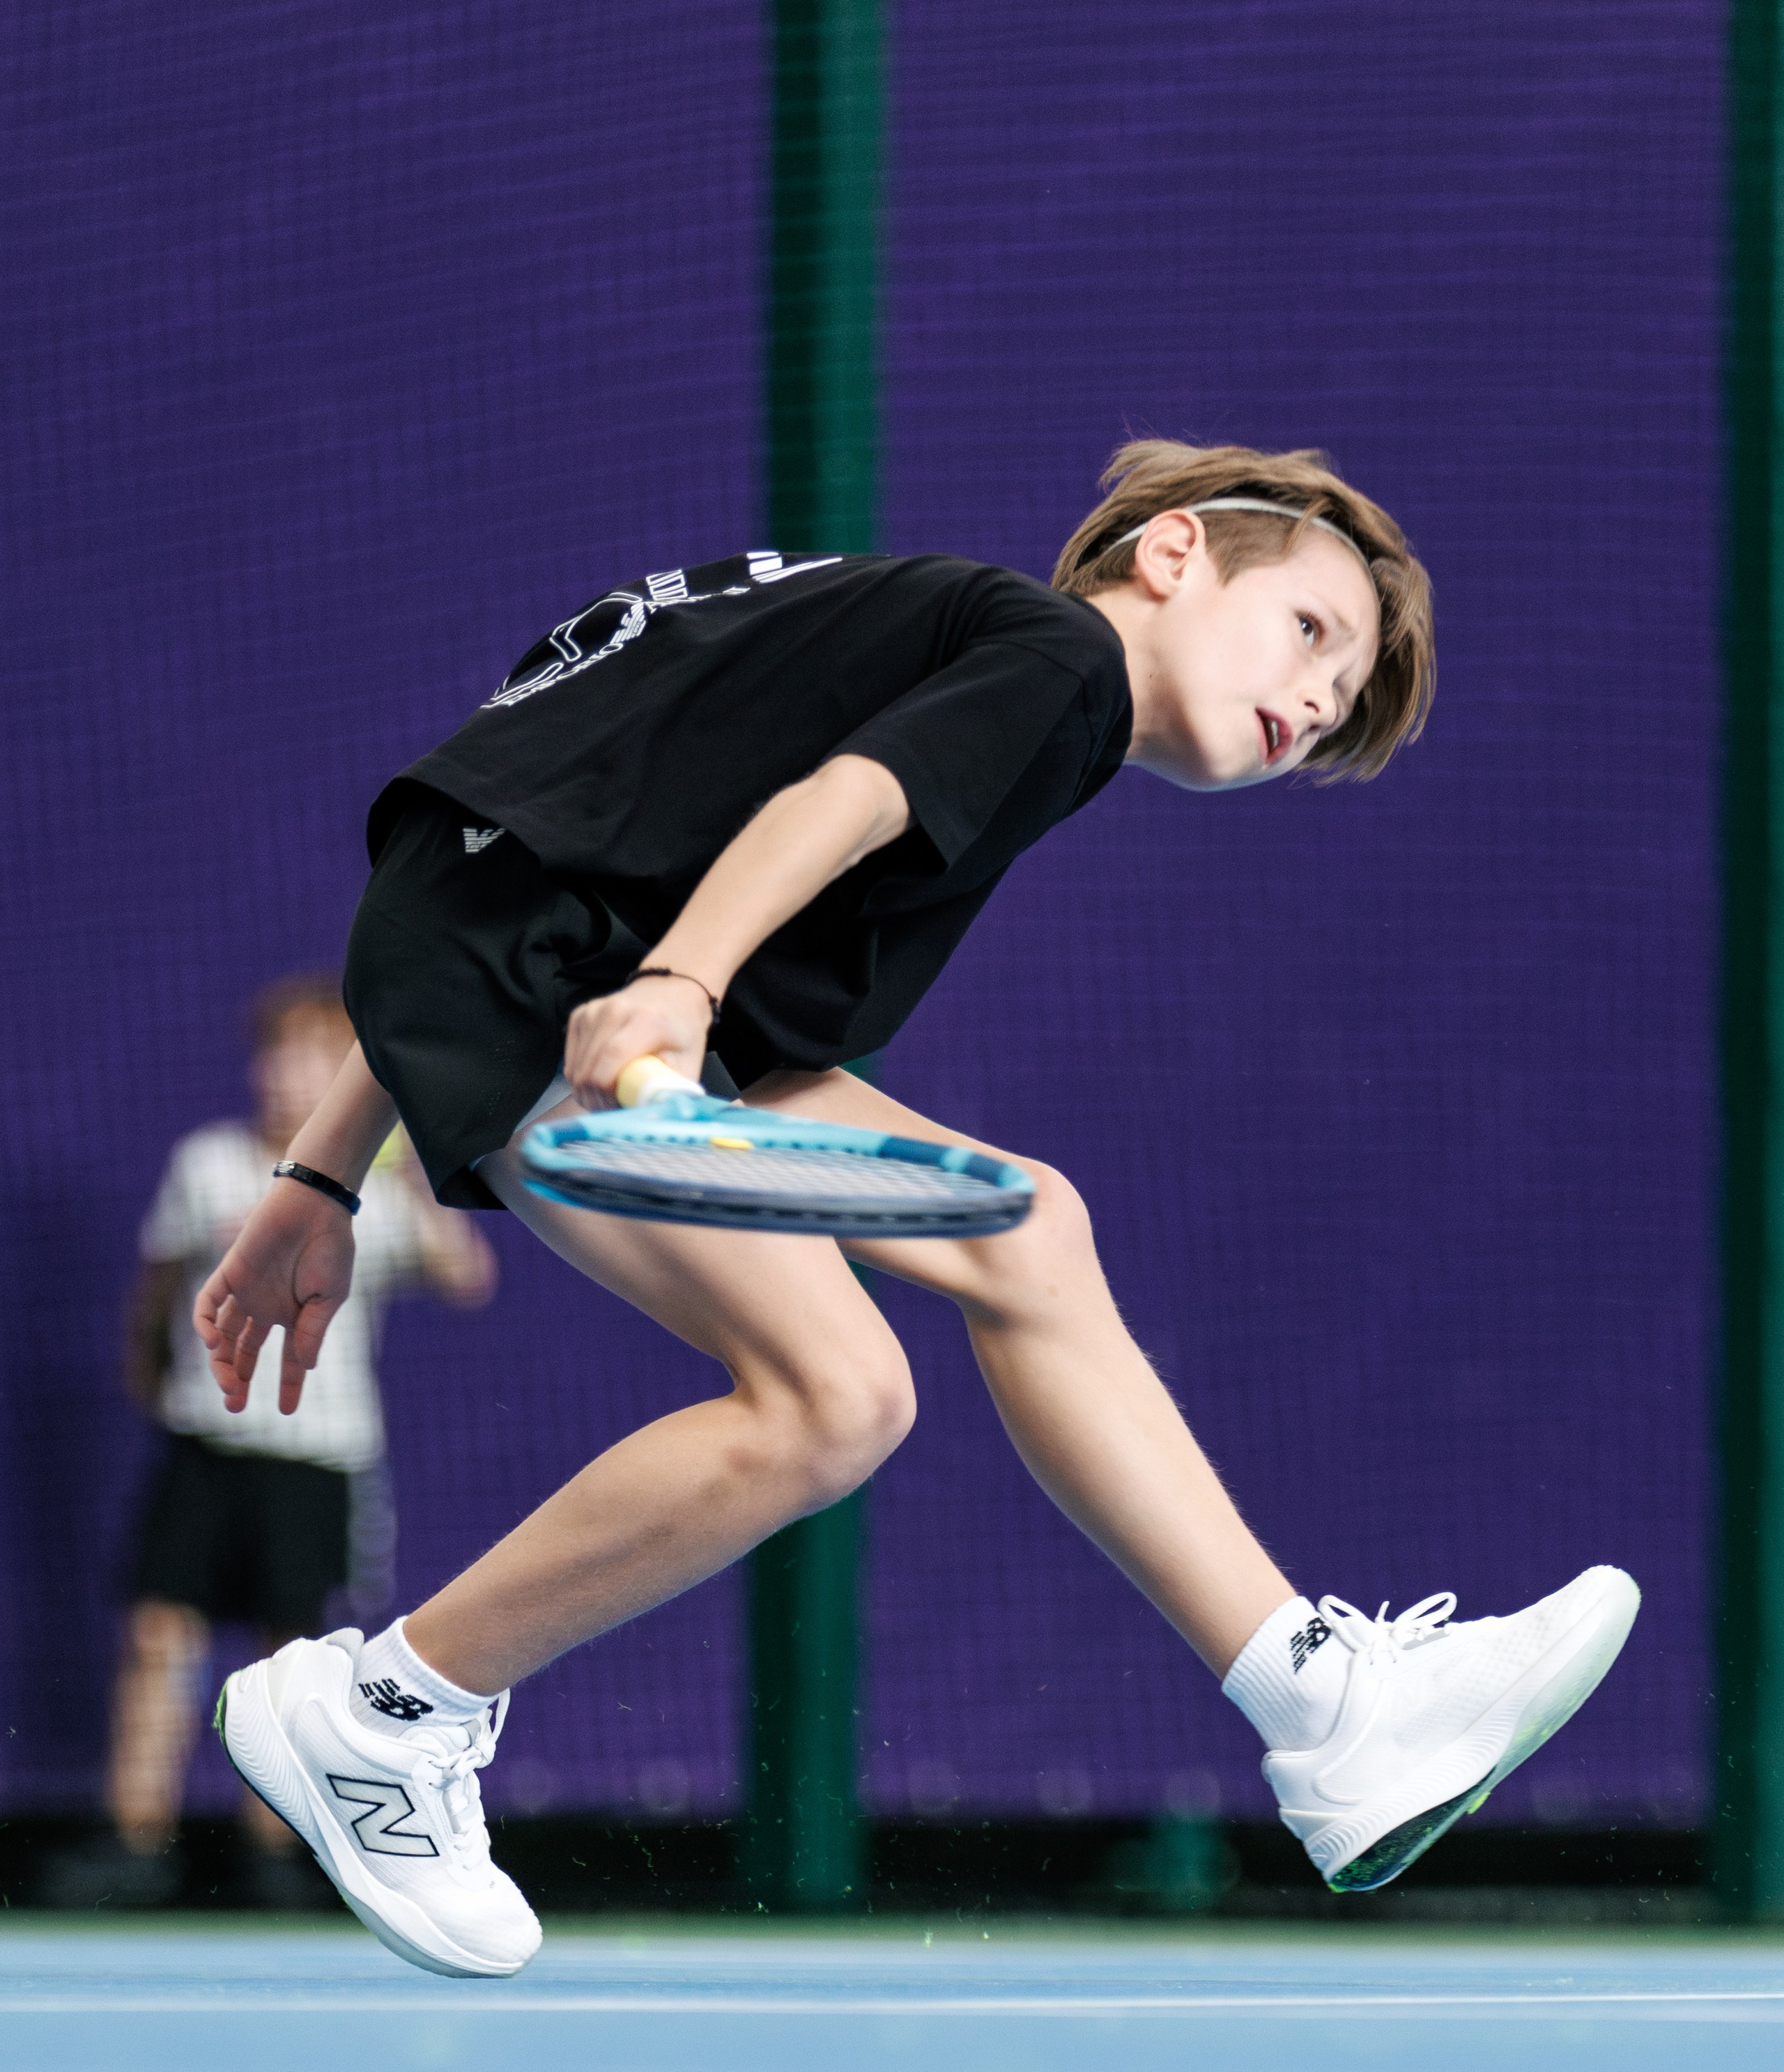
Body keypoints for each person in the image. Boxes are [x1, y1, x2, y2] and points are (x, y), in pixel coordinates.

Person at [197, 440, 1640, 1977]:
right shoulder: (1057, 661)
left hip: (548, 951)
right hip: (585, 973)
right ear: (1166, 557)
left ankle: (1314, 1698)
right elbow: (846, 798)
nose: (1313, 704)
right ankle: (384, 1713)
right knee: (835, 1398)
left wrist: (323, 1168)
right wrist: (679, 983)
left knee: (1028, 1229)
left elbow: (507, 831)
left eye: (1338, 706)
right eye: (1309, 633)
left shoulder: (944, 636)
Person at [53, 976, 495, 1912]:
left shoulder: (373, 1187)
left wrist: (408, 1161)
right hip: (205, 1447)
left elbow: (465, 1276)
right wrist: (157, 1379)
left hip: (319, 1461)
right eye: (273, 1053)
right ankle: (135, 1842)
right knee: (157, 1633)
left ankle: (276, 1856)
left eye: (310, 1057)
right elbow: (159, 1289)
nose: (282, 1074)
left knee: (288, 1658)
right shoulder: (206, 1164)